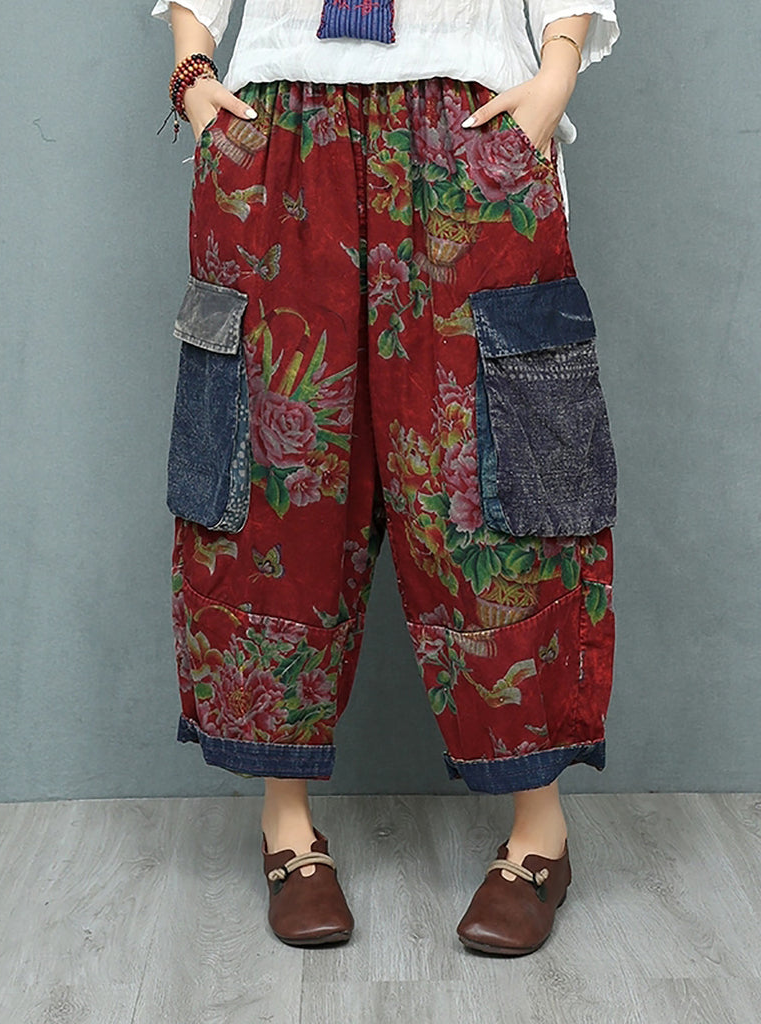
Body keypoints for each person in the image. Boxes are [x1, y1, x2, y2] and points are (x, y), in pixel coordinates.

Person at [152, 0, 620, 955]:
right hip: (284, 130)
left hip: (469, 126)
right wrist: (195, 77)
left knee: (492, 483)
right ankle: (287, 826)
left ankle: (541, 834)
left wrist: (557, 72)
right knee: (279, 483)